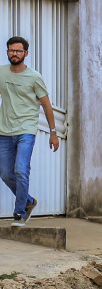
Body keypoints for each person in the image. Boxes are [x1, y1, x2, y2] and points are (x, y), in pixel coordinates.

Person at [0, 36, 59, 226]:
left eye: (18, 51)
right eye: (11, 50)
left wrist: (53, 132)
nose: (14, 54)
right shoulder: (1, 73)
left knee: (21, 170)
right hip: (4, 131)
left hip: (26, 130)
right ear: (7, 52)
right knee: (5, 173)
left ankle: (19, 213)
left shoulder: (34, 77)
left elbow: (47, 106)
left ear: (26, 53)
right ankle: (28, 201)